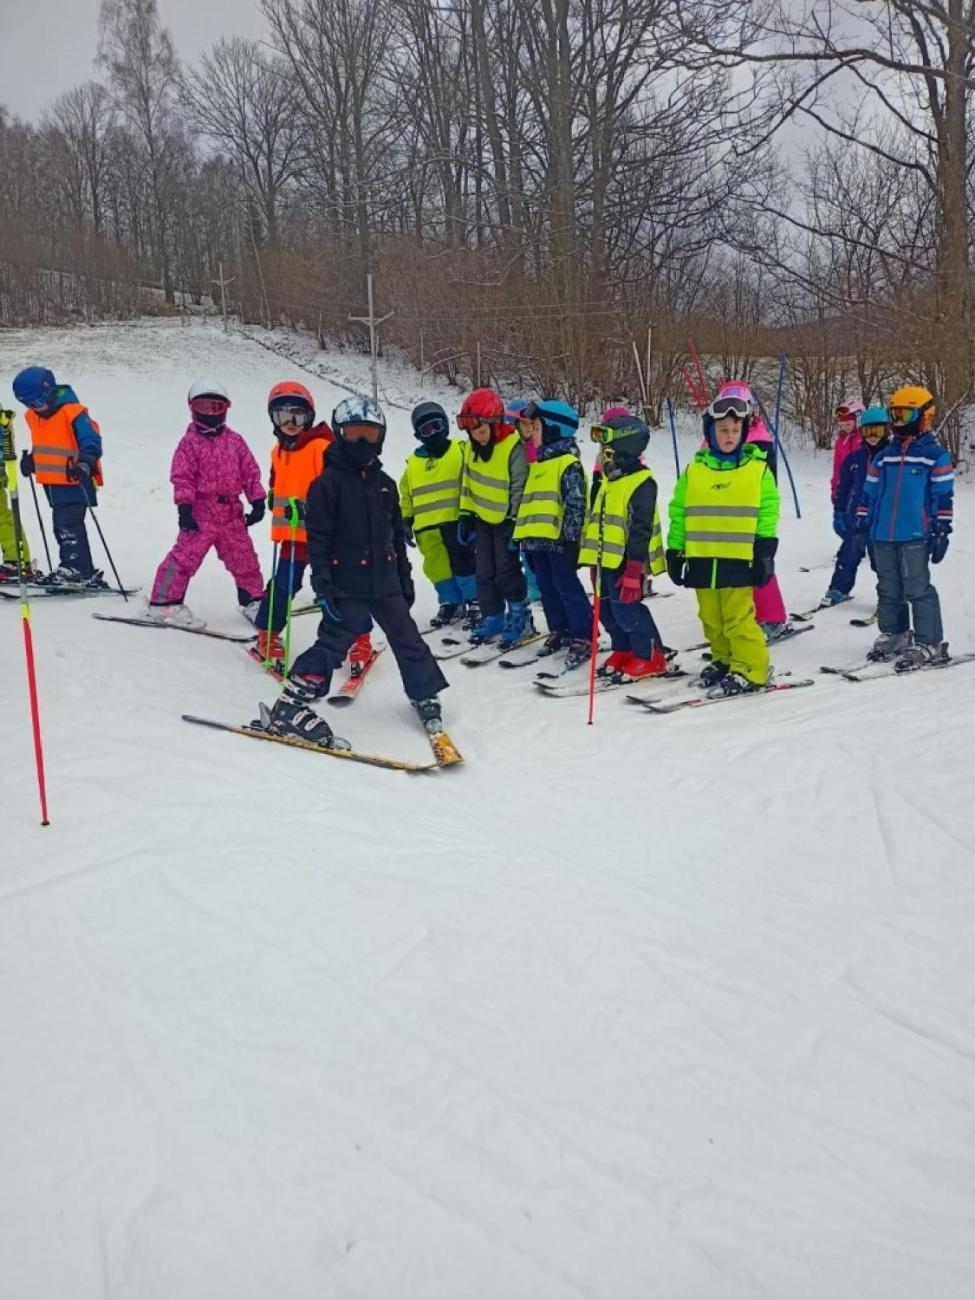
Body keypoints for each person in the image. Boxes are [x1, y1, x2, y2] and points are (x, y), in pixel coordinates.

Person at [265, 396, 448, 745]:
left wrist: (405, 580)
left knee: (408, 638)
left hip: (385, 581)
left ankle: (424, 693)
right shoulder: (327, 485)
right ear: (339, 435)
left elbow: (395, 538)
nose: (362, 442)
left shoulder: (385, 485)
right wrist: (323, 586)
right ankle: (289, 705)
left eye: (370, 433)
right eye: (354, 434)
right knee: (334, 642)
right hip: (346, 583)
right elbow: (317, 540)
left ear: (380, 437)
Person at [667, 391, 780, 696]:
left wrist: (764, 550)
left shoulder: (757, 470)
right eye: (722, 430)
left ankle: (752, 668)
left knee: (738, 619)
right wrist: (675, 550)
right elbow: (679, 511)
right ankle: (723, 659)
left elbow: (768, 512)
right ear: (710, 432)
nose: (729, 436)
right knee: (711, 617)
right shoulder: (695, 470)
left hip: (738, 559)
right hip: (702, 557)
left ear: (743, 432)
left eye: (734, 430)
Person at [146, 381, 266, 627]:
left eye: (216, 407)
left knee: (244, 558)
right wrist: (184, 507)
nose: (210, 413)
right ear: (193, 408)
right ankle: (164, 602)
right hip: (201, 512)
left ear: (225, 409)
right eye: (204, 407)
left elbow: (250, 473)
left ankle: (253, 600)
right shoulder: (189, 444)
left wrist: (257, 500)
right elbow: (183, 477)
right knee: (184, 558)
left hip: (231, 513)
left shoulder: (235, 441)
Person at [856, 385, 953, 668]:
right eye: (894, 415)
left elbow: (942, 495)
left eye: (905, 414)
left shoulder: (935, 456)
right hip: (882, 533)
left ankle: (930, 640)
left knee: (917, 587)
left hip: (914, 534)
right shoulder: (883, 455)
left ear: (924, 416)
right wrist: (863, 517)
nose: (898, 422)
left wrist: (941, 527)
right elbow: (869, 490)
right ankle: (896, 633)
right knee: (888, 587)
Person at [578, 412, 668, 679]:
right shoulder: (609, 480)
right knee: (606, 610)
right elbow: (598, 521)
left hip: (628, 561)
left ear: (626, 446)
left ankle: (650, 655)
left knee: (626, 611)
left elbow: (640, 529)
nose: (604, 452)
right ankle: (624, 648)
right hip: (604, 559)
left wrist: (634, 570)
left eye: (607, 446)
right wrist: (592, 559)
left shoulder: (642, 483)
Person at [252, 381, 334, 663]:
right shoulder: (278, 451)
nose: (290, 422)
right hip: (293, 536)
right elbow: (279, 482)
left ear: (308, 416)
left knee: (338, 586)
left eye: (297, 415)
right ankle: (268, 633)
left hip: (328, 537)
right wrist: (273, 496)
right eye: (282, 415)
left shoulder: (322, 447)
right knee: (284, 584)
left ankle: (357, 637)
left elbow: (337, 489)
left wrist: (314, 508)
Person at [512, 399, 592, 669]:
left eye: (535, 427)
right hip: (536, 543)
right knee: (547, 589)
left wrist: (571, 540)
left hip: (559, 543)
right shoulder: (538, 464)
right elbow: (530, 504)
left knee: (567, 588)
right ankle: (560, 629)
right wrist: (522, 539)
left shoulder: (568, 464)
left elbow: (575, 504)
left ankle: (583, 634)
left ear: (554, 429)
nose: (530, 433)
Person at [12, 365, 106, 587]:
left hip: (75, 480)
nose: (35, 408)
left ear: (50, 392)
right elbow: (48, 445)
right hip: (53, 484)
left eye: (37, 402)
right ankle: (81, 568)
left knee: (67, 526)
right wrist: (32, 462)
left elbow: (91, 442)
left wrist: (85, 463)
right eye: (28, 404)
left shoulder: (73, 413)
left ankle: (75, 569)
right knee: (63, 526)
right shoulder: (34, 416)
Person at [456, 388, 531, 648]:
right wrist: (465, 514)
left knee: (506, 571)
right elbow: (467, 482)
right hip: (482, 519)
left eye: (481, 432)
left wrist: (515, 521)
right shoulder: (470, 448)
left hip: (505, 521)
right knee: (484, 572)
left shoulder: (512, 446)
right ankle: (493, 616)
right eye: (472, 434)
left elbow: (519, 486)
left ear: (496, 425)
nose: (478, 437)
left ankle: (521, 616)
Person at [715, 380, 789, 640]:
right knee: (734, 568)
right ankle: (743, 616)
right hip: (724, 513)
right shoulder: (716, 435)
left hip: (751, 512)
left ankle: (772, 617)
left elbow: (768, 481)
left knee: (758, 563)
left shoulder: (758, 438)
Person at [399, 401, 477, 628]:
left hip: (456, 521)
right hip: (427, 528)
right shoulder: (413, 463)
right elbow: (407, 494)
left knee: (464, 562)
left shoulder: (461, 450)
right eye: (426, 430)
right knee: (437, 568)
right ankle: (450, 602)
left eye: (436, 426)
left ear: (445, 426)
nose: (432, 433)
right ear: (418, 435)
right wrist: (405, 519)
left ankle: (474, 600)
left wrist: (471, 513)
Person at [822, 405, 888, 605]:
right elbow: (843, 488)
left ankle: (889, 596)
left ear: (886, 430)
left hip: (882, 519)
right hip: (856, 516)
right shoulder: (854, 459)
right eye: (869, 431)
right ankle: (838, 589)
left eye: (878, 431)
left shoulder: (892, 458)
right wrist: (839, 511)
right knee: (848, 554)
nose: (873, 436)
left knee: (882, 560)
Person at [830, 396, 865, 503]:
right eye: (843, 425)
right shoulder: (840, 442)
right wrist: (835, 488)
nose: (846, 427)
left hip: (863, 486)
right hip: (846, 487)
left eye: (849, 424)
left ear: (857, 421)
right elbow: (837, 468)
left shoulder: (864, 437)